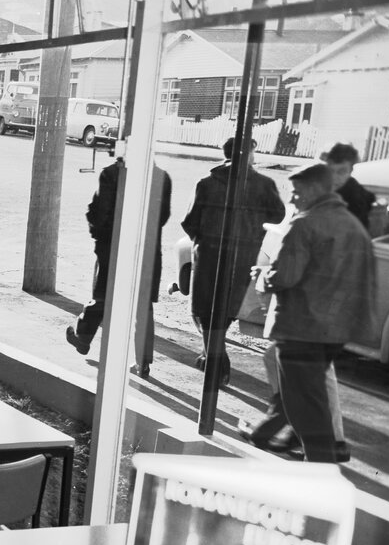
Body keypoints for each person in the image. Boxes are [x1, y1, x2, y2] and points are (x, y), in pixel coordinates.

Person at [242, 162, 375, 463]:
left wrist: (262, 275)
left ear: (315, 190)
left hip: (300, 327)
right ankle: (316, 459)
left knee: (303, 405)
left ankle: (318, 468)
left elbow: (285, 276)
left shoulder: (304, 224)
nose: (292, 200)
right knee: (310, 400)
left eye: (296, 193)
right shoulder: (352, 225)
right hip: (334, 330)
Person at [181, 136, 286, 386]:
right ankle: (214, 360)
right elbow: (278, 216)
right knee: (226, 310)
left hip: (209, 256)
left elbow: (190, 221)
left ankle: (216, 363)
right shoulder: (264, 184)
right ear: (246, 155)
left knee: (206, 311)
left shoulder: (206, 184)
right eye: (252, 153)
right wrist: (253, 235)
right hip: (243, 257)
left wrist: (202, 240)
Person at [64, 157, 173, 376]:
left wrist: (100, 238)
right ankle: (143, 363)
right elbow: (162, 217)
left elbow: (99, 212)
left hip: (114, 247)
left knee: (103, 295)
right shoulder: (162, 177)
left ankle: (83, 336)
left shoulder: (112, 173)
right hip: (147, 250)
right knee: (143, 307)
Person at [321, 141, 375, 228]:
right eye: (330, 170)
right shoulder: (315, 189)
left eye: (341, 172)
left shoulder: (357, 201)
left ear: (350, 171)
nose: (334, 177)